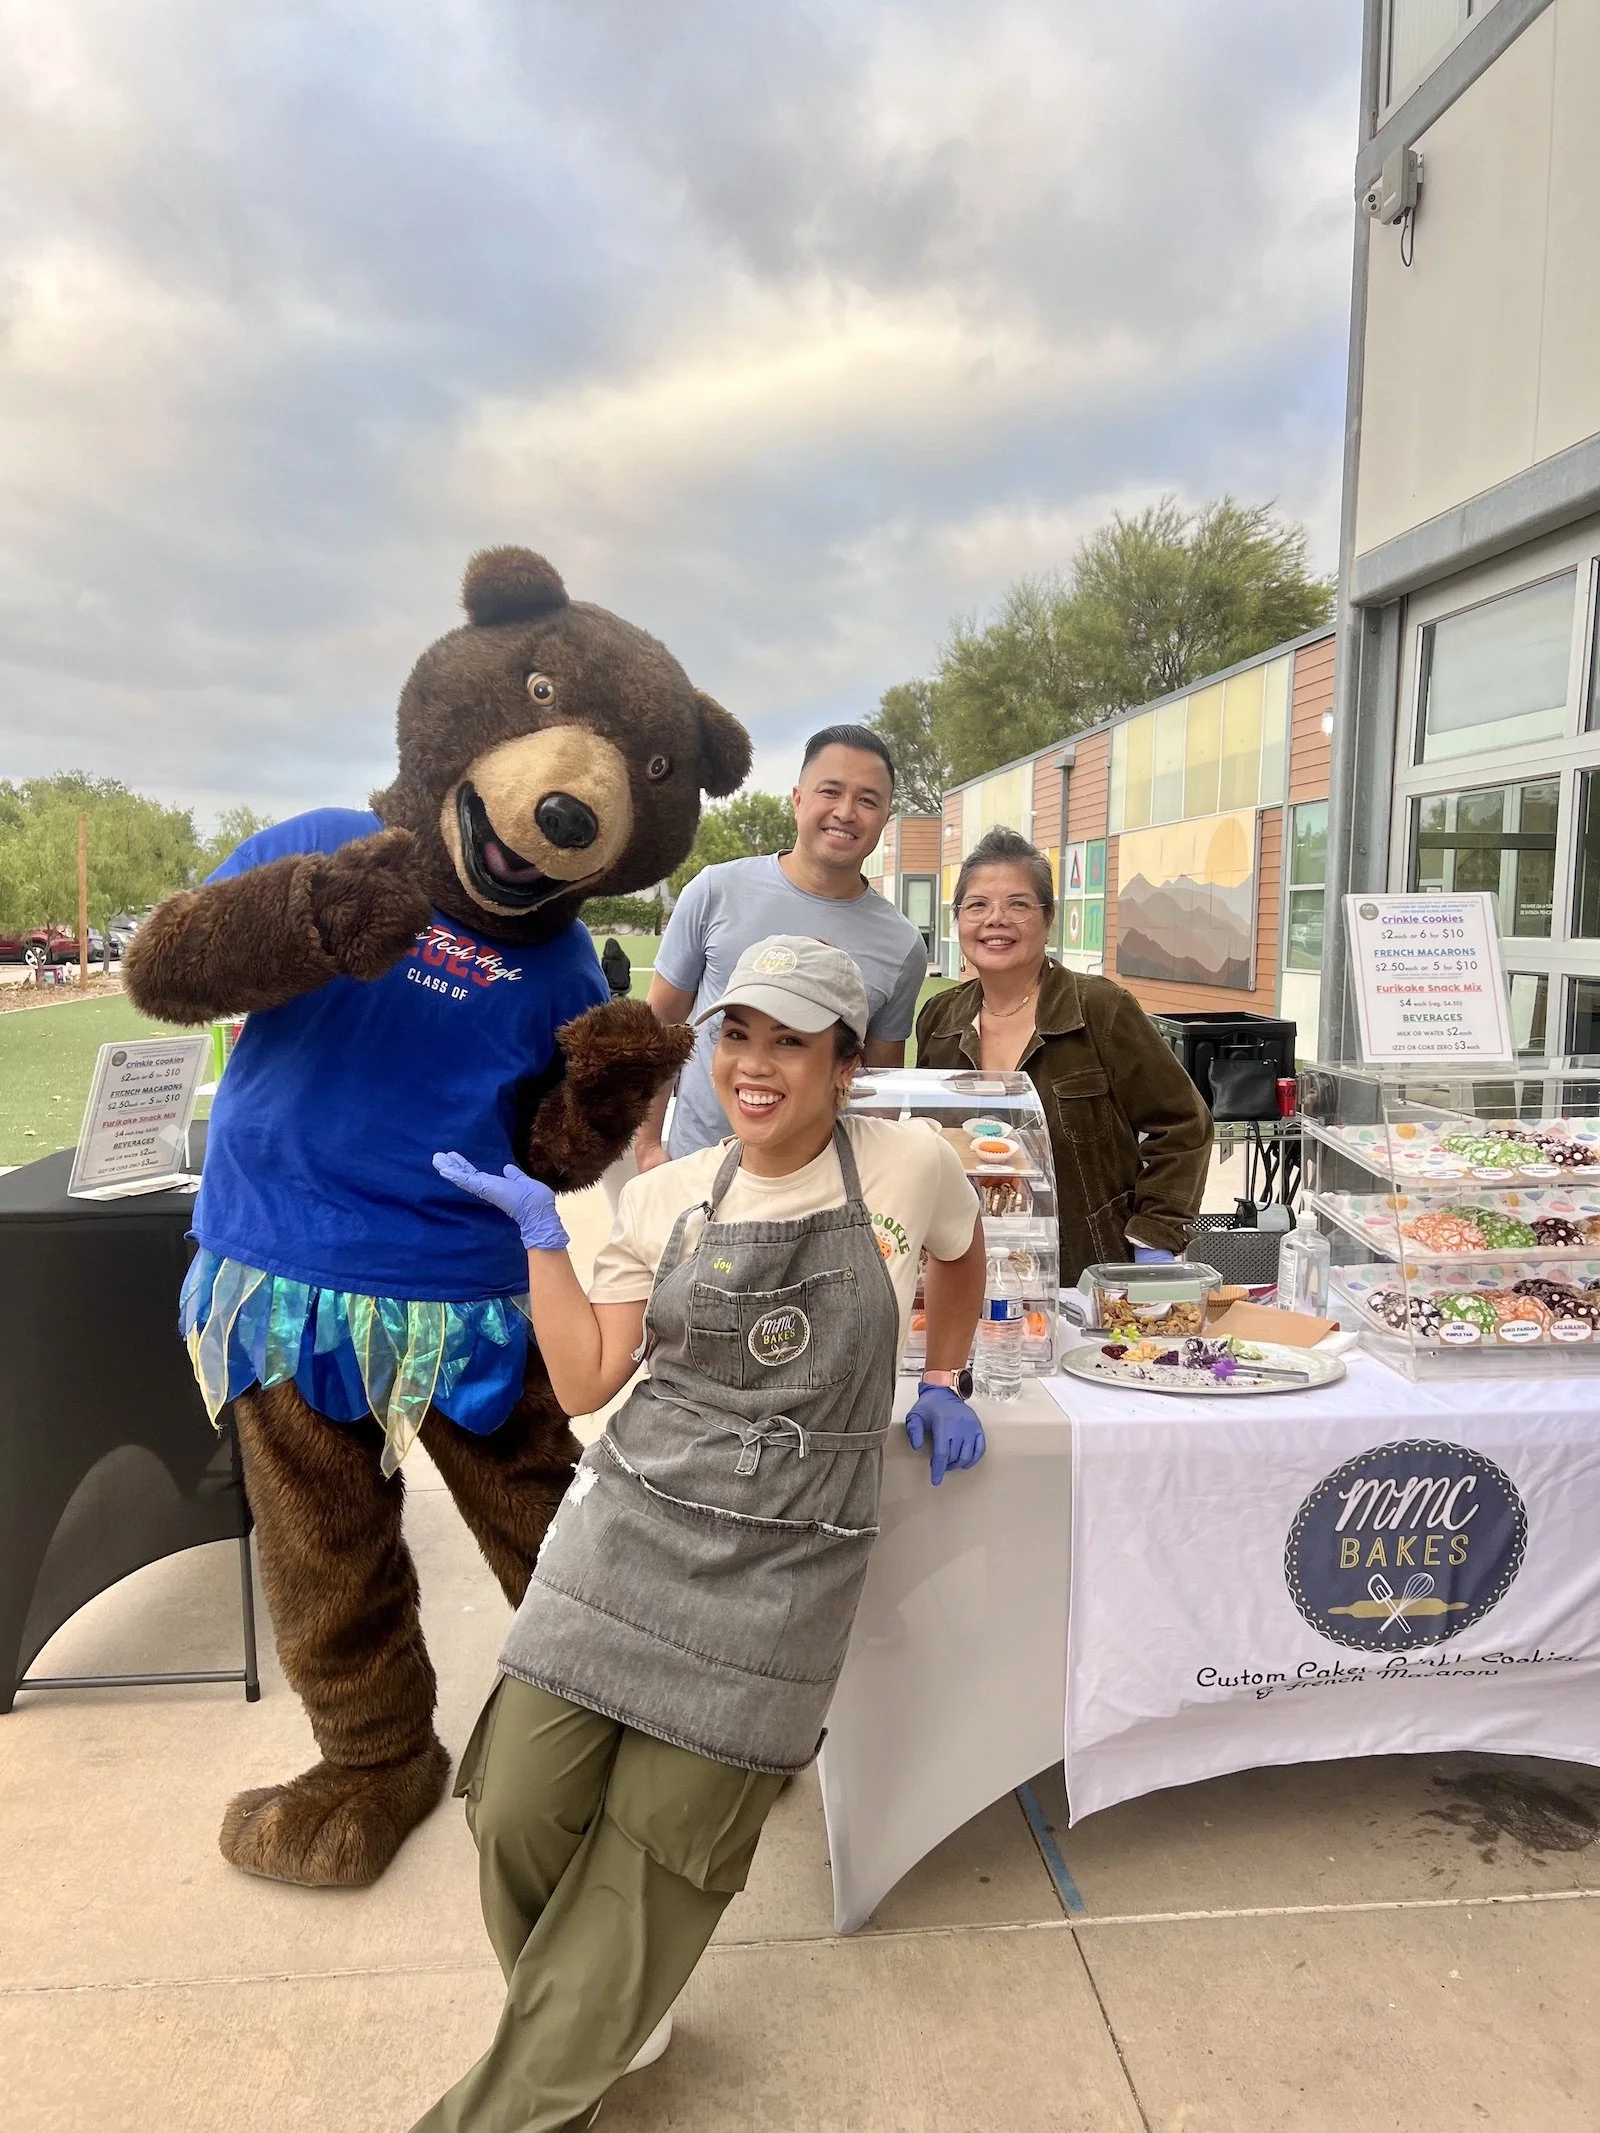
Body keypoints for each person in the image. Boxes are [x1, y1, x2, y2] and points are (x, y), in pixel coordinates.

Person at [418, 936, 987, 2133]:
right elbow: (583, 1384)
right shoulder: (670, 1195)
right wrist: (540, 1236)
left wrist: (946, 1371)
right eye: (738, 1035)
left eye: (792, 1039)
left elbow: (960, 1254)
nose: (757, 1064)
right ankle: (605, 2014)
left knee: (657, 1854)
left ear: (845, 1062)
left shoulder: (909, 1163)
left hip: (784, 1559)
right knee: (513, 1804)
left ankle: (530, 2082)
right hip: (630, 1527)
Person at [915, 826, 1213, 1285]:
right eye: (977, 905)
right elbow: (925, 1138)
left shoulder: (1101, 1010)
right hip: (965, 1268)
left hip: (1083, 1272)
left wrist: (1153, 1236)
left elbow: (1184, 1126)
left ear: (1048, 918)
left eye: (1018, 904)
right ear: (958, 921)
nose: (996, 920)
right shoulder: (939, 1018)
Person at [634, 724, 928, 1167]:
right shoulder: (716, 890)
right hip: (695, 1170)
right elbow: (658, 1025)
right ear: (798, 800)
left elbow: (876, 1088)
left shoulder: (902, 945)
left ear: (886, 820)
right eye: (830, 791)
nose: (846, 812)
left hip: (816, 1186)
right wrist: (648, 1146)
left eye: (867, 800)